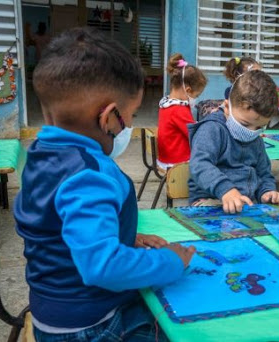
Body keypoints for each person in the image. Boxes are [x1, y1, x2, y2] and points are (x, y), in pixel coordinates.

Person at [14, 27, 195, 342]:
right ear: (109, 117)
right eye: (132, 114)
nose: (132, 123)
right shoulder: (89, 174)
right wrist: (170, 261)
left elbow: (56, 225)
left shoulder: (41, 153)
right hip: (89, 326)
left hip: (56, 313)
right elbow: (104, 267)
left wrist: (124, 235)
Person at [188, 70, 279, 214]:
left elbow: (264, 173)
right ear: (227, 107)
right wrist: (226, 190)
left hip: (245, 203)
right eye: (245, 124)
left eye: (260, 127)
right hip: (210, 202)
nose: (252, 131)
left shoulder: (255, 138)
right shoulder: (212, 129)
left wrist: (267, 192)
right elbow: (199, 164)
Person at [157, 53, 206, 169]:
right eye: (196, 95)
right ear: (188, 90)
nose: (195, 99)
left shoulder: (166, 104)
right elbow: (195, 134)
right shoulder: (178, 110)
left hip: (166, 158)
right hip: (177, 163)